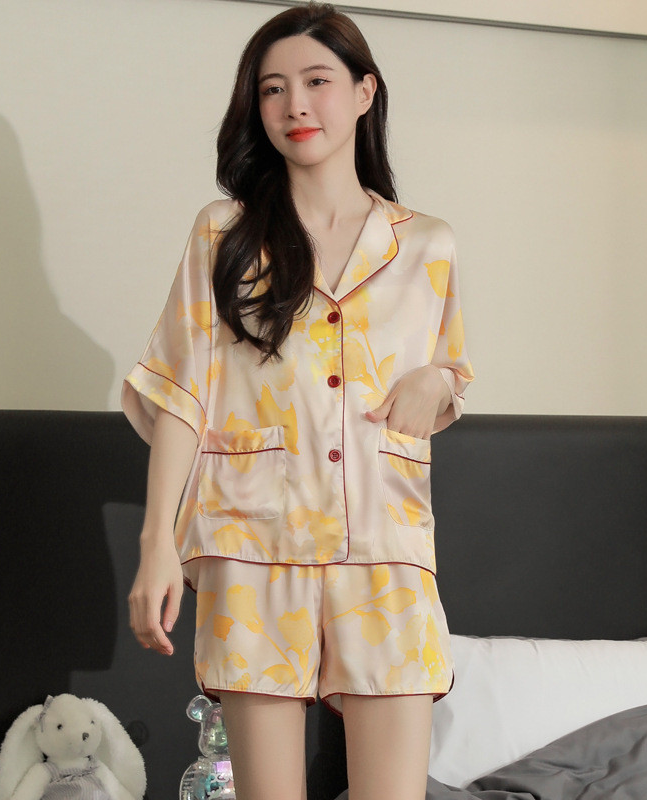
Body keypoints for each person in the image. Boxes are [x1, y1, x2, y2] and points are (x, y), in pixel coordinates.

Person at [122, 3, 474, 799]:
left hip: (384, 545)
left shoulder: (426, 243)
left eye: (317, 81)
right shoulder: (223, 234)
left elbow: (449, 367)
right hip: (254, 545)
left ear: (364, 92)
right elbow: (181, 390)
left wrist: (438, 382)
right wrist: (157, 545)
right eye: (273, 89)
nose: (295, 105)